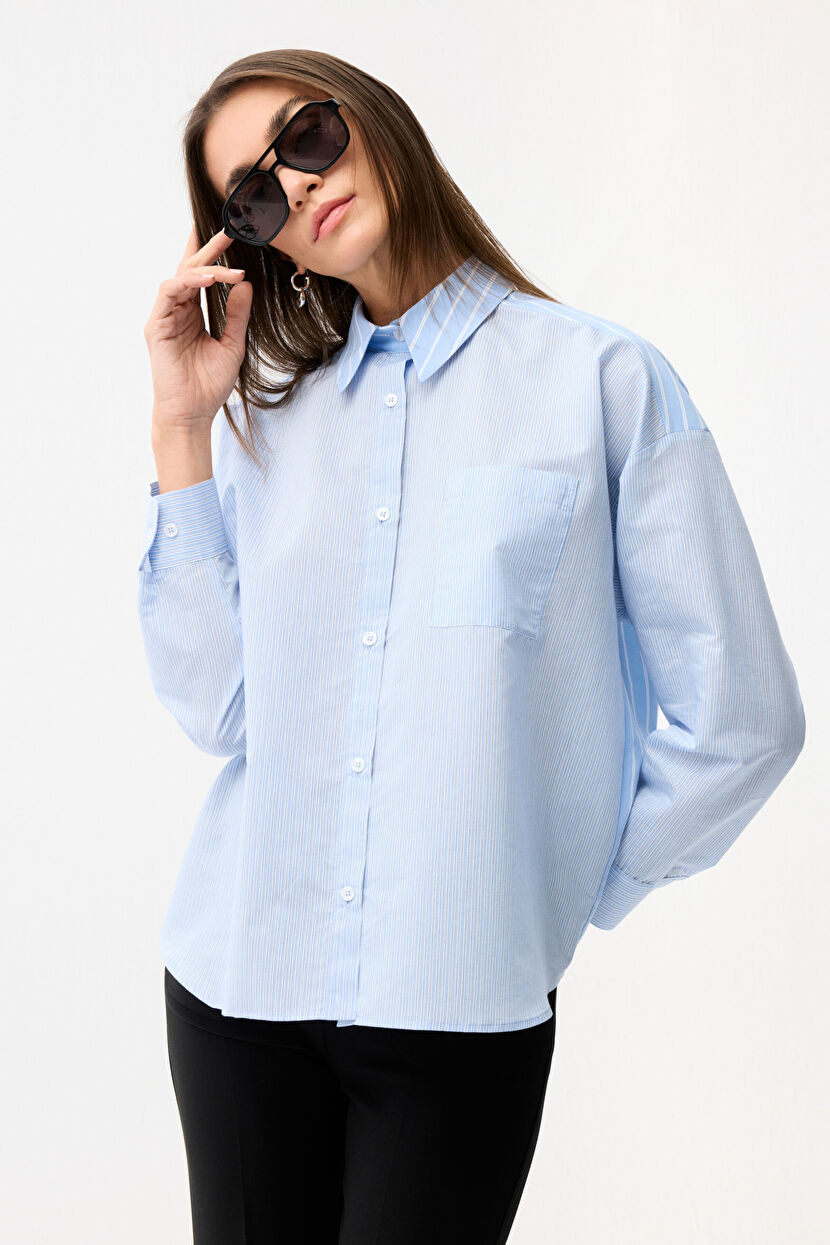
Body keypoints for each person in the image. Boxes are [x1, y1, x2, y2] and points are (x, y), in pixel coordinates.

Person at [138, 49, 806, 1245]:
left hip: (459, 1011)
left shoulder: (602, 381)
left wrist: (557, 887)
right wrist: (182, 425)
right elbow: (221, 712)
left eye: (306, 137)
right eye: (253, 196)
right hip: (235, 985)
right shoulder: (266, 421)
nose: (297, 186)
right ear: (252, 246)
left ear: (371, 119)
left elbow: (741, 718)